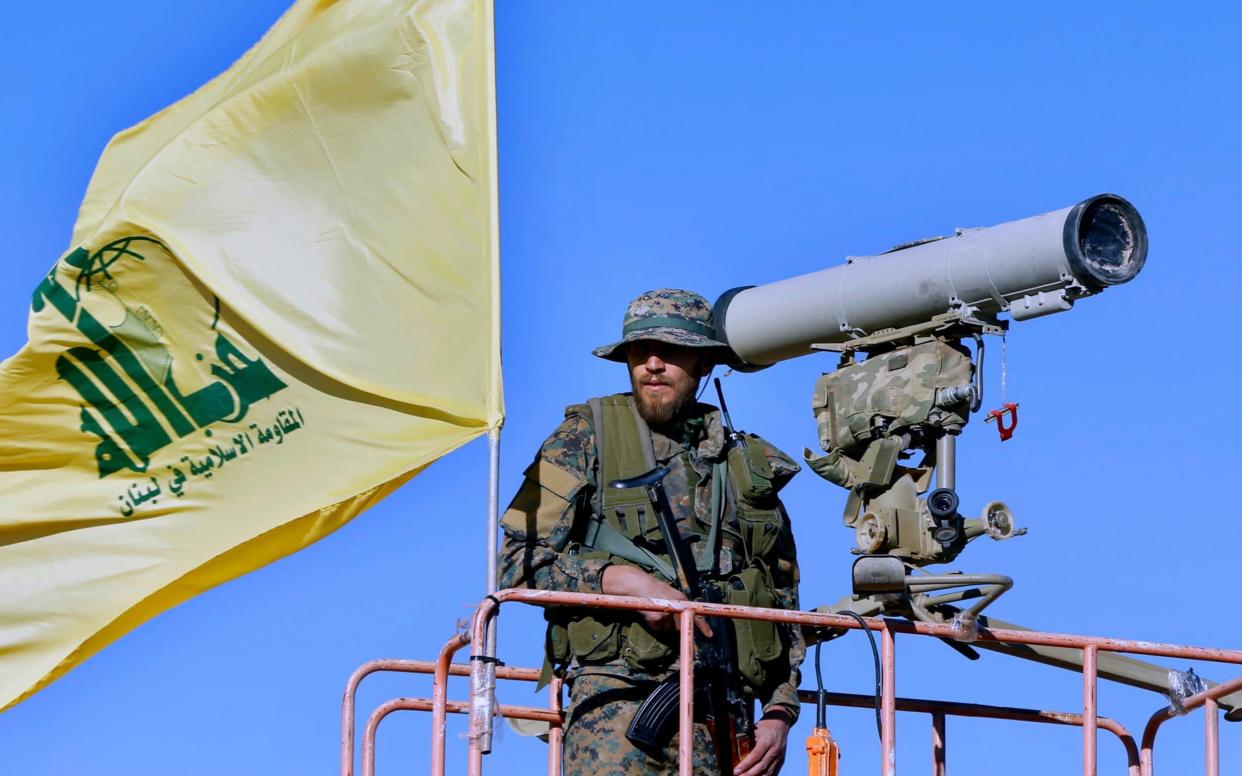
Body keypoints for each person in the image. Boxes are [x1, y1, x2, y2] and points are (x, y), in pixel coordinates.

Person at [499, 289, 805, 776]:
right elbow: (517, 563)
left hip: (726, 724)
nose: (653, 364)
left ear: (704, 363)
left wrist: (779, 710)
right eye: (640, 352)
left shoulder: (747, 468)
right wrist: (618, 582)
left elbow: (780, 603)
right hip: (617, 717)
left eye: (672, 350)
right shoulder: (584, 437)